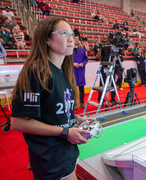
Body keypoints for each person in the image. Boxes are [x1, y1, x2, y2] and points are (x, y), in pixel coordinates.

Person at [11, 17, 95, 180]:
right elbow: (19, 122)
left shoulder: (62, 71)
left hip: (67, 153)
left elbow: (53, 110)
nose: (71, 38)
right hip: (51, 160)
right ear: (47, 39)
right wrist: (65, 132)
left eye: (71, 33)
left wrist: (75, 118)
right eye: (64, 33)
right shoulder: (36, 71)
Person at [73, 35, 88, 109]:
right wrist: (73, 63)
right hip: (73, 71)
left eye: (78, 39)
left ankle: (81, 102)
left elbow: (86, 59)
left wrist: (82, 64)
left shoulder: (82, 50)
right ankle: (75, 103)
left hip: (81, 70)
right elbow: (66, 60)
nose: (77, 40)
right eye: (75, 39)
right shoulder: (69, 50)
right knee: (73, 89)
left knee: (82, 88)